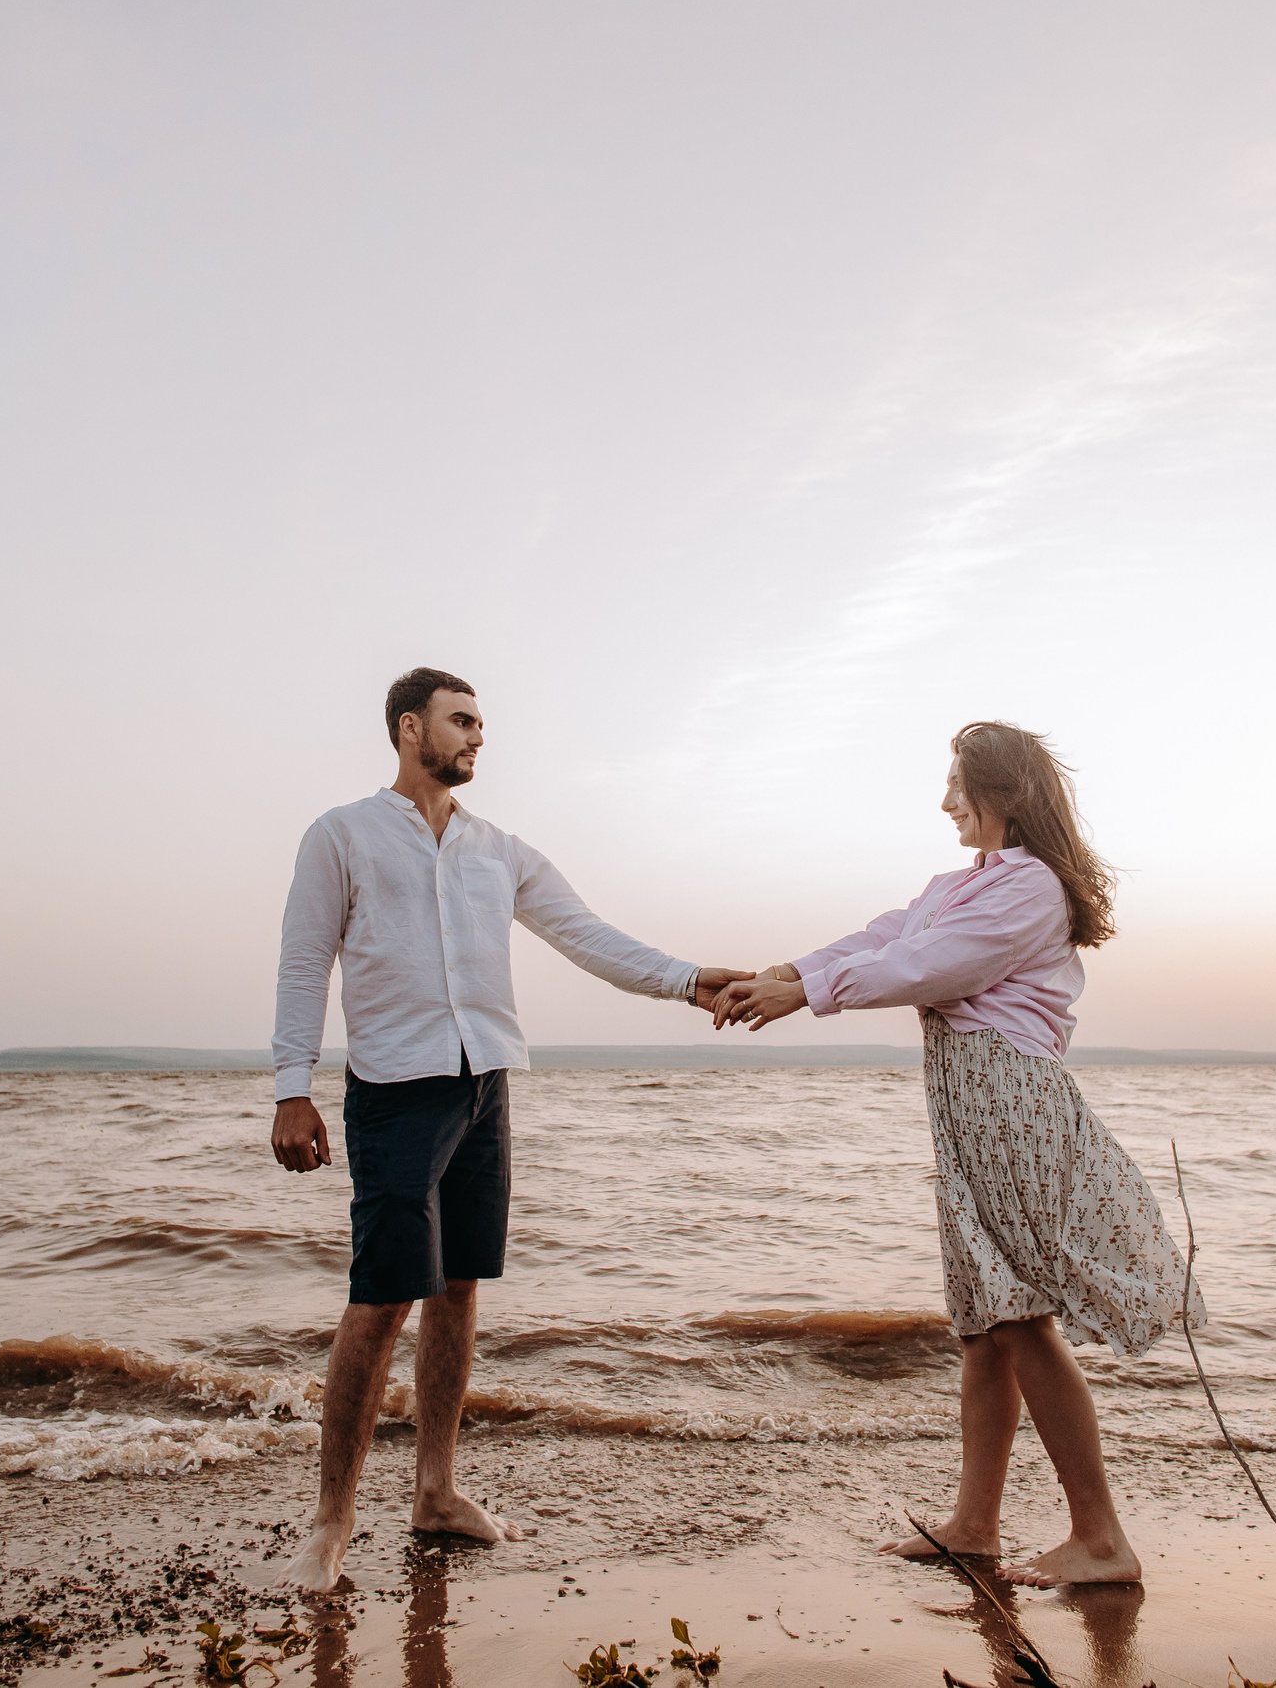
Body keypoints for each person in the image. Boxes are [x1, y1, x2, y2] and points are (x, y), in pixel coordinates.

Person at [269, 666, 749, 1593]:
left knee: (459, 1289)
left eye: (481, 723)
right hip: (395, 1091)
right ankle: (329, 1524)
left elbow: (588, 935)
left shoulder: (498, 848)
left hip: (486, 1083)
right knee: (380, 1301)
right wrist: (294, 1087)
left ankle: (436, 1493)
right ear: (411, 729)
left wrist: (689, 980)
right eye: (462, 721)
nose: (478, 736)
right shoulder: (341, 835)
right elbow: (302, 963)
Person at [711, 720, 1201, 1587]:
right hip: (969, 1107)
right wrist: (780, 970)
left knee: (1018, 1315)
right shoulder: (961, 882)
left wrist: (806, 997)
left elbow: (930, 967)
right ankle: (974, 1526)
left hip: (1012, 1104)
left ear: (1003, 796)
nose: (945, 803)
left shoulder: (1031, 891)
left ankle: (1099, 1538)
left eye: (957, 786)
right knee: (981, 1322)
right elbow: (884, 937)